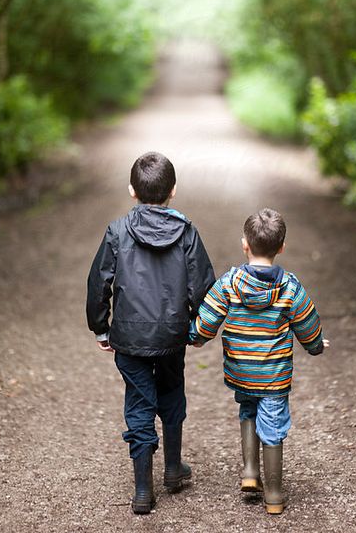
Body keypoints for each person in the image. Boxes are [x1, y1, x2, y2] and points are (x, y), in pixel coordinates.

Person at [87, 151, 215, 514]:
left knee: (139, 404)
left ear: (132, 191)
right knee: (172, 390)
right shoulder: (187, 232)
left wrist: (101, 327)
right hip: (173, 335)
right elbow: (204, 286)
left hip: (128, 337)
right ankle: (173, 469)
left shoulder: (117, 231)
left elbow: (99, 283)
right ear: (172, 191)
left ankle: (144, 491)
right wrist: (198, 327)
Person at [189, 208, 329, 515]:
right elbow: (307, 323)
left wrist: (196, 335)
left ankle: (251, 472)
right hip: (273, 375)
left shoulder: (229, 283)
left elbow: (209, 315)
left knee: (248, 411)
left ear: (245, 244)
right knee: (273, 427)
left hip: (242, 370)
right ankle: (275, 495)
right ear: (281, 247)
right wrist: (316, 345)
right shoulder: (290, 287)